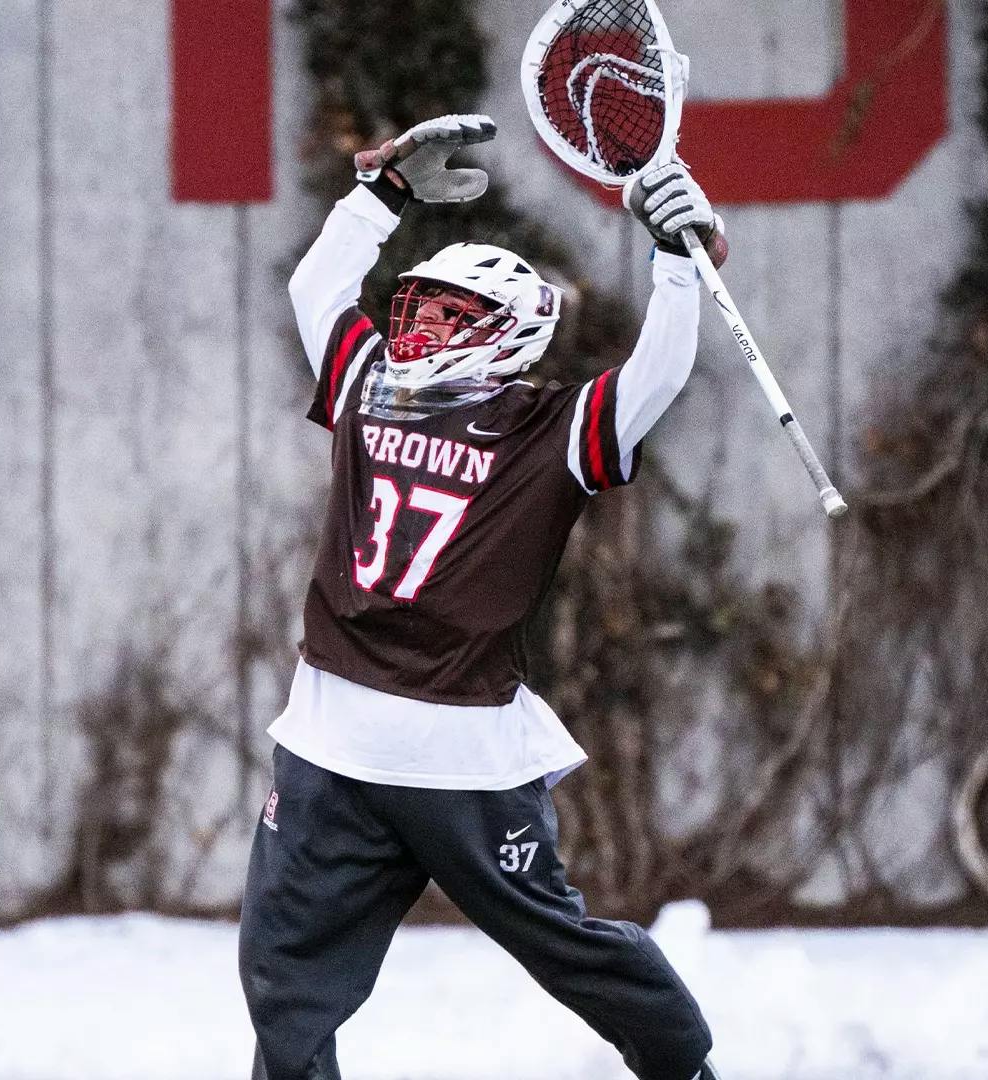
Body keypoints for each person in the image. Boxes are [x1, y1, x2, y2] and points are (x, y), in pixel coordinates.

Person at [239, 113, 725, 1080]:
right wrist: (381, 197)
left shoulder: (550, 428)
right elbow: (317, 287)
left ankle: (684, 1066)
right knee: (283, 976)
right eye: (413, 310)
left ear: (511, 337)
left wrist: (680, 260)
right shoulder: (372, 380)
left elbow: (657, 373)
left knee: (565, 948)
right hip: (329, 738)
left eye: (448, 317)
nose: (416, 331)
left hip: (459, 752)